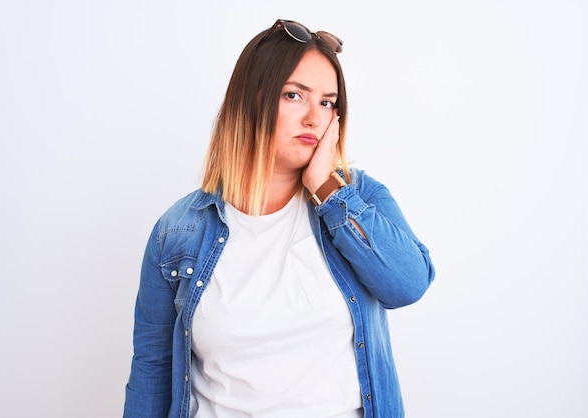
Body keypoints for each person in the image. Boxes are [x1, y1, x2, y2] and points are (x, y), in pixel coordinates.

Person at [124, 18, 435, 418]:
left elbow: (408, 284)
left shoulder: (357, 198)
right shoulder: (178, 232)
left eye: (327, 102)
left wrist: (327, 188)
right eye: (294, 95)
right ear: (251, 101)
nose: (314, 117)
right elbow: (152, 368)